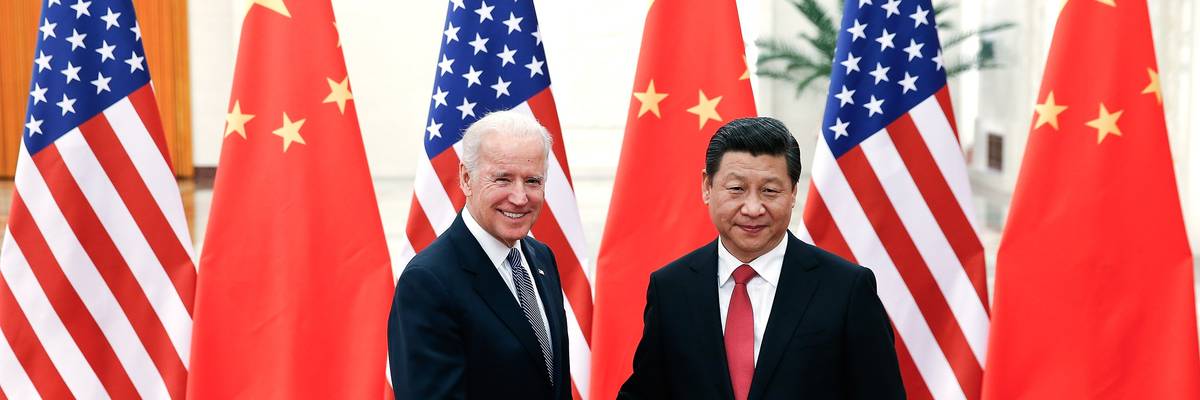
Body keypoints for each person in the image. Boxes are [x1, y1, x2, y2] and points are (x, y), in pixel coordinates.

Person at [618, 117, 906, 400]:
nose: (753, 208)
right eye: (736, 189)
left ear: (792, 192)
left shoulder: (847, 289)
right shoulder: (671, 288)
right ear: (707, 186)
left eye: (770, 191)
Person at [388, 111, 571, 399]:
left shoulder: (541, 258)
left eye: (533, 181)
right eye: (503, 179)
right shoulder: (427, 282)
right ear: (466, 178)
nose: (520, 197)